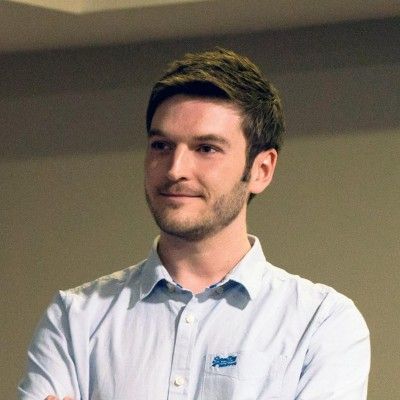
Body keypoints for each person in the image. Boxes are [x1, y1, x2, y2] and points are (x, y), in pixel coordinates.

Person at [18, 48, 370, 400]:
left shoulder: (321, 323)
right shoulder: (75, 318)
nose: (175, 170)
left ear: (261, 170)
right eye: (161, 145)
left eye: (206, 149)